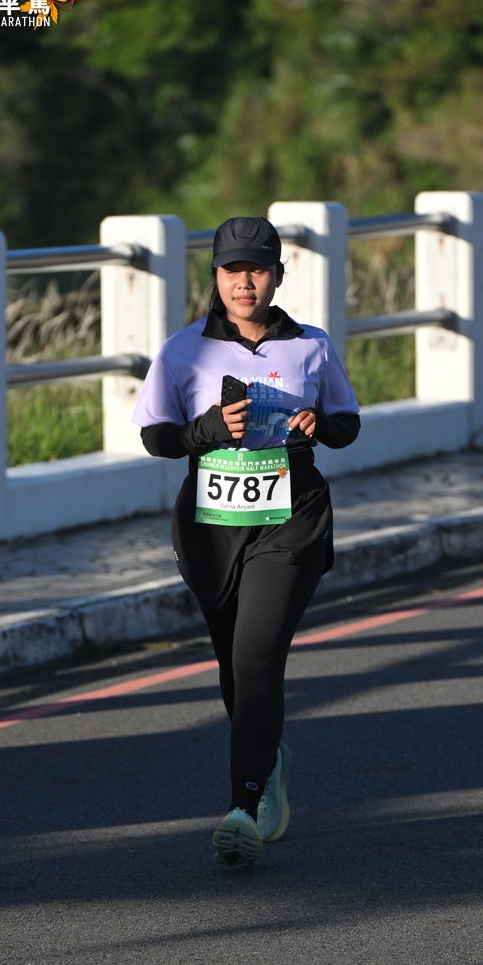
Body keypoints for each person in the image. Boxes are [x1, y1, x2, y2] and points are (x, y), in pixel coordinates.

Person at [132, 215, 360, 866]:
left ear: (277, 276)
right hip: (211, 528)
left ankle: (242, 807)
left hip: (292, 519)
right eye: (232, 271)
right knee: (234, 664)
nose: (244, 283)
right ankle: (268, 757)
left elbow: (347, 423)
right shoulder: (183, 352)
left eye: (257, 270)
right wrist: (206, 430)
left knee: (259, 655)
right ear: (216, 276)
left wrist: (318, 424)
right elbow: (156, 436)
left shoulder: (310, 346)